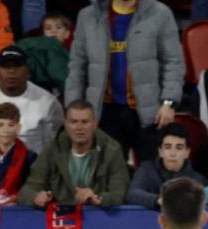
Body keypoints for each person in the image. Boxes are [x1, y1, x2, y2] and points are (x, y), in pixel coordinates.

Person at [65, 0, 184, 162]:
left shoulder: (160, 13)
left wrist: (168, 102)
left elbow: (173, 61)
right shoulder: (88, 16)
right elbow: (77, 66)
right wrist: (73, 105)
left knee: (151, 174)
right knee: (110, 176)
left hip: (149, 113)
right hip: (105, 111)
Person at [18, 100, 128, 209]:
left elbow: (119, 192)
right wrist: (36, 197)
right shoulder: (53, 148)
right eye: (73, 122)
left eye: (85, 122)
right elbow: (27, 190)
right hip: (61, 217)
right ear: (65, 124)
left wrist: (97, 198)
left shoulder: (111, 150)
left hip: (98, 214)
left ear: (95, 124)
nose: (79, 127)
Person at [126, 123, 208, 210]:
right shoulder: (146, 170)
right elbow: (132, 193)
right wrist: (158, 200)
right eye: (168, 147)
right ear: (160, 151)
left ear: (187, 153)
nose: (172, 153)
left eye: (179, 148)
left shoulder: (198, 181)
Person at [15, 12, 71, 94]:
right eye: (48, 28)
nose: (53, 31)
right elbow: (59, 76)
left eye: (58, 28)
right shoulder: (52, 47)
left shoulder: (66, 51)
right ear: (43, 34)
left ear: (67, 33)